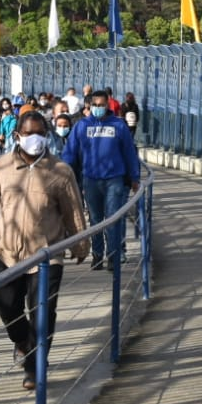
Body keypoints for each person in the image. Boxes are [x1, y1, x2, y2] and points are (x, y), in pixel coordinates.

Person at [0, 110, 88, 390]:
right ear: (17, 136)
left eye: (40, 133)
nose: (34, 139)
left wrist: (80, 245)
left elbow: (73, 212)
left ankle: (34, 368)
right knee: (6, 308)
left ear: (47, 136)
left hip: (46, 257)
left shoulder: (60, 172)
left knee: (43, 312)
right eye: (28, 134)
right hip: (7, 255)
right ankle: (24, 342)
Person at [63, 89, 139, 271]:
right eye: (94, 105)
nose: (98, 108)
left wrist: (134, 177)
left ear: (108, 105)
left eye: (101, 105)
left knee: (113, 219)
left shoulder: (119, 126)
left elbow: (129, 152)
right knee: (96, 220)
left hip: (114, 179)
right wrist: (64, 173)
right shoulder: (82, 126)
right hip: (91, 180)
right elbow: (70, 152)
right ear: (89, 106)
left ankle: (113, 255)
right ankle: (97, 254)